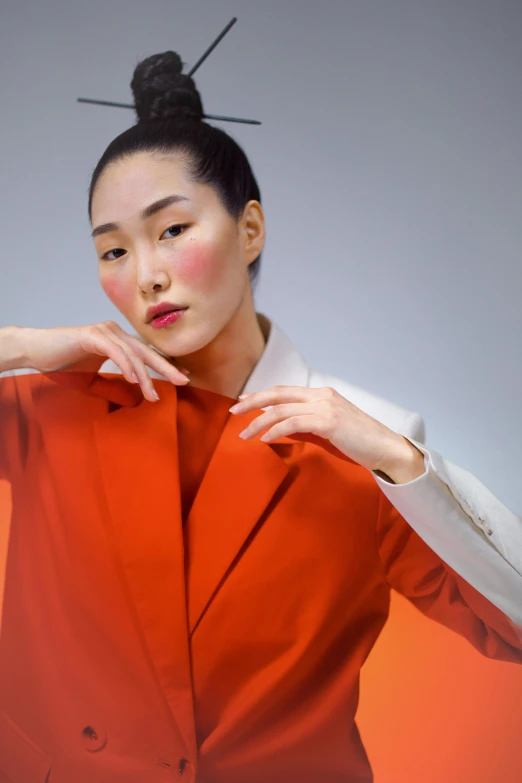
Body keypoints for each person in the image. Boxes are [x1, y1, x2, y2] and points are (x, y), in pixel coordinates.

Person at [0, 51, 521, 783]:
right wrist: (24, 345)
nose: (146, 273)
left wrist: (402, 462)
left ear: (249, 231)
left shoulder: (359, 448)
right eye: (113, 249)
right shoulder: (53, 405)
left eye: (173, 229)